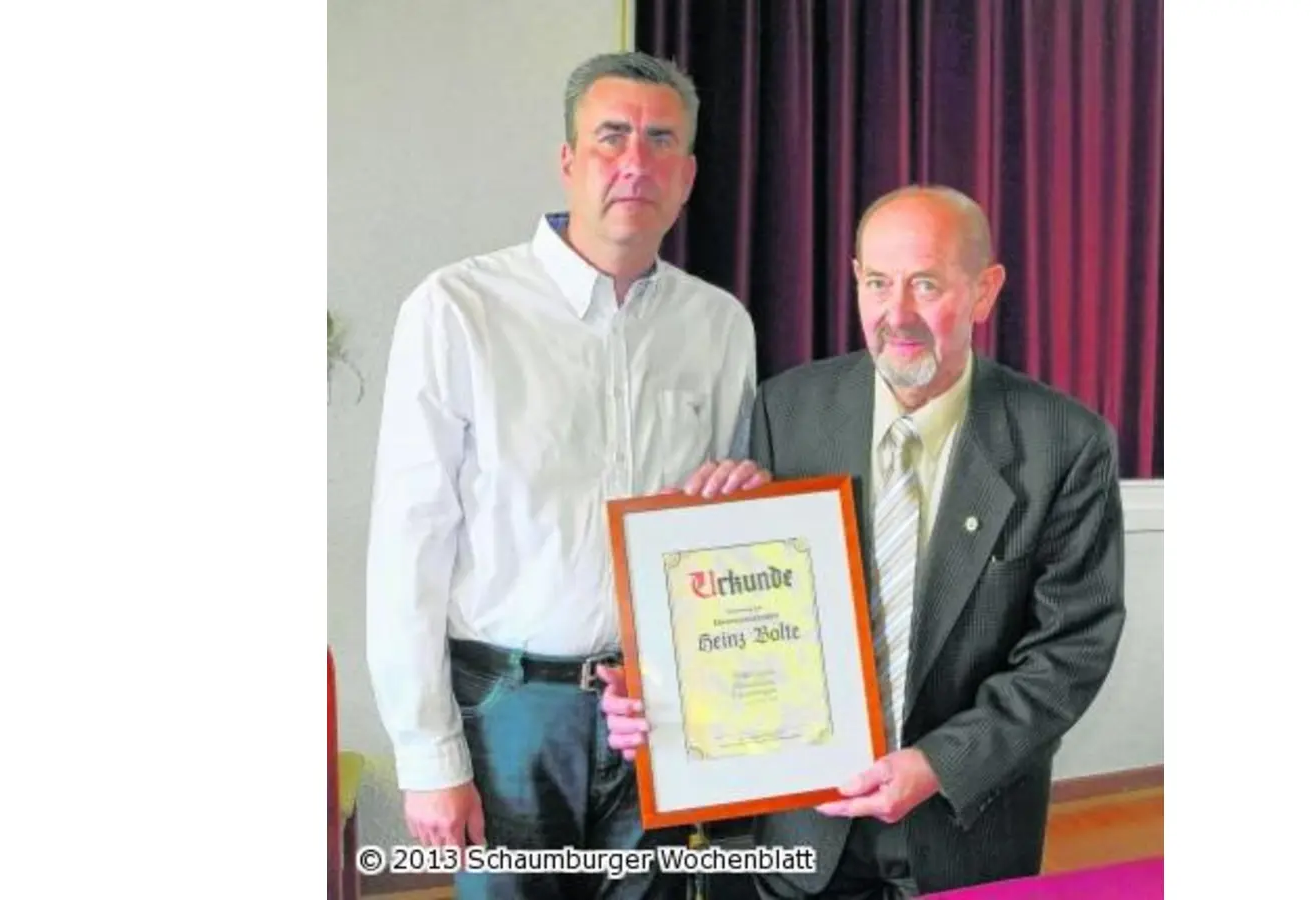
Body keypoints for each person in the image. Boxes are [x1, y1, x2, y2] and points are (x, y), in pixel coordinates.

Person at [599, 185, 1126, 898]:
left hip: (966, 824)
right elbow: (750, 613)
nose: (897, 315)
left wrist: (939, 763)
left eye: (927, 284)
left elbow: (1072, 649)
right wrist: (666, 682)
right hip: (807, 827)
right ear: (854, 279)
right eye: (877, 283)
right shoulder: (789, 409)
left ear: (984, 290)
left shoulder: (1063, 441)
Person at [364, 51, 769, 900]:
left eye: (662, 141)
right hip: (508, 708)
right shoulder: (457, 310)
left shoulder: (720, 325)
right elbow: (409, 546)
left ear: (688, 175)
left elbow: (724, 528)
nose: (635, 161)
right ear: (567, 160)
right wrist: (428, 753)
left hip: (654, 707)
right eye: (611, 135)